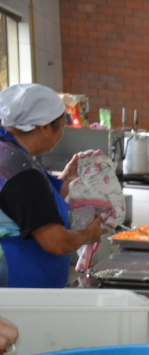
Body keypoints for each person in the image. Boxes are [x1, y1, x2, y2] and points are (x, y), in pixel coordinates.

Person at [0, 83, 104, 288]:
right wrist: (88, 235)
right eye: (62, 127)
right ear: (44, 128)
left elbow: (32, 205)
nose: (62, 134)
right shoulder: (22, 174)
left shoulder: (9, 153)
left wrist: (66, 178)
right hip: (20, 287)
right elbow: (55, 242)